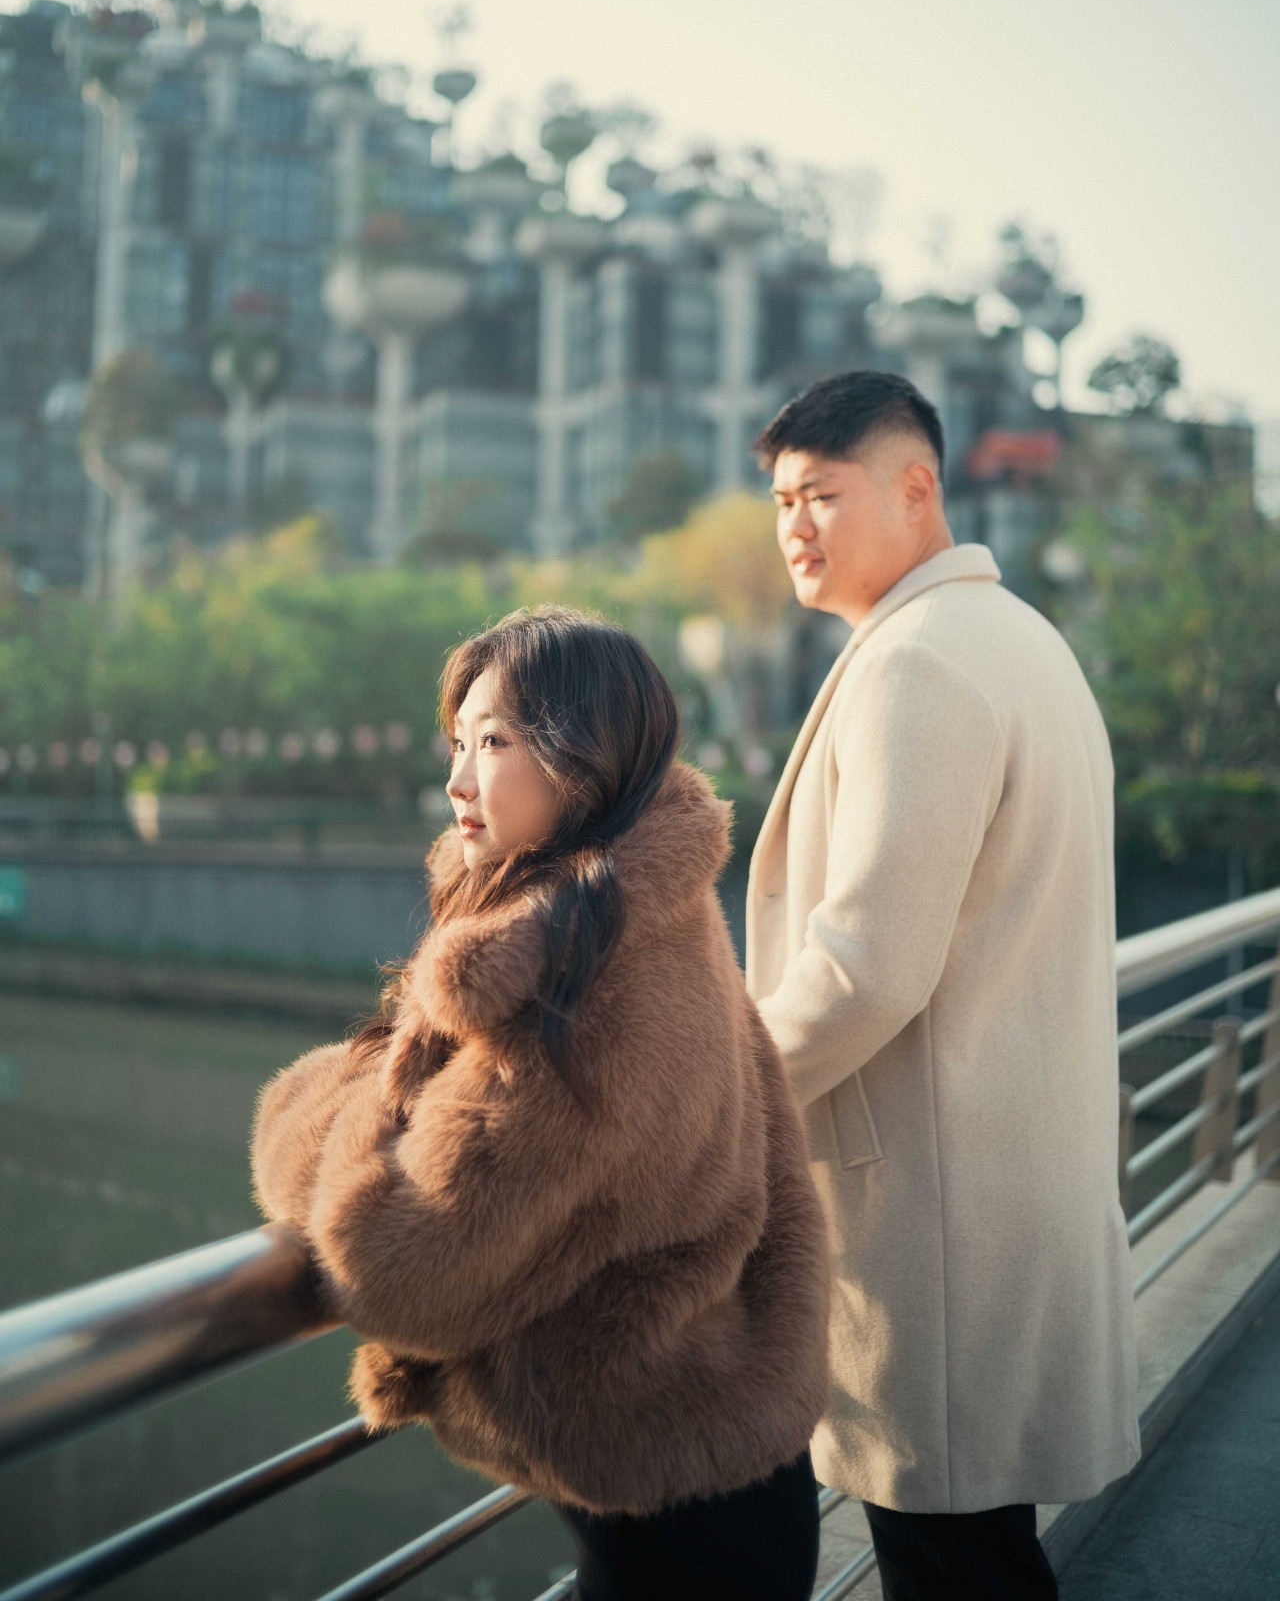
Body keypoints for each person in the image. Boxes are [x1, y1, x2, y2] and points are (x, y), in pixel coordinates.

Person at [250, 607, 830, 1601]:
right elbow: (780, 1183)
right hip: (721, 1457)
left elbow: (393, 1267)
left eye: (492, 743)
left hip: (673, 1506)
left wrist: (312, 1106)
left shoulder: (579, 988)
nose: (456, 781)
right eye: (457, 743)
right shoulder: (647, 911)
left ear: (581, 760)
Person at [746, 371, 1140, 1601]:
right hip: (996, 1173)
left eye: (821, 494)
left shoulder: (918, 662)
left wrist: (706, 1094)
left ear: (915, 489)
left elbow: (864, 967)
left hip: (935, 1208)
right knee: (974, 1552)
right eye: (779, 500)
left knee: (950, 1559)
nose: (793, 525)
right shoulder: (1018, 639)